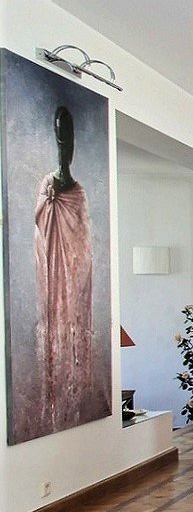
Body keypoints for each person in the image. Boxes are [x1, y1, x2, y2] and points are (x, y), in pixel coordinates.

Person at [35, 106, 96, 433]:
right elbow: (39, 229)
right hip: (52, 276)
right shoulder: (46, 187)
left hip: (75, 276)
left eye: (68, 138)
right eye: (60, 137)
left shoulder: (78, 193)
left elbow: (84, 244)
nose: (64, 146)